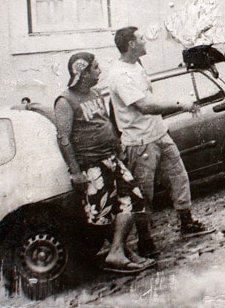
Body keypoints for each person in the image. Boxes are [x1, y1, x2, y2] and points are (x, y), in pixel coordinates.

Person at [108, 26, 209, 258]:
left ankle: (187, 223)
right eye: (141, 38)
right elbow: (144, 105)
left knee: (179, 177)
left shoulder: (136, 66)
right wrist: (180, 104)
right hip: (140, 142)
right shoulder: (119, 74)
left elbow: (150, 99)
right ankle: (145, 241)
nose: (146, 41)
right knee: (144, 194)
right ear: (131, 44)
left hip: (159, 134)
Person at [54, 52, 154, 273]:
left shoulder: (95, 93)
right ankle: (120, 252)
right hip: (91, 165)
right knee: (107, 212)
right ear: (82, 73)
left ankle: (120, 251)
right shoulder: (65, 101)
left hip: (111, 159)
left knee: (134, 200)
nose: (99, 71)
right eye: (95, 68)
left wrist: (117, 147)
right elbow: (63, 138)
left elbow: (106, 122)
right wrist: (76, 172)